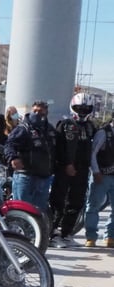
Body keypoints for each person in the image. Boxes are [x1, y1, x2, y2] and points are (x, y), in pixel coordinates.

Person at [49, 92, 96, 247]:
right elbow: (59, 148)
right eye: (79, 108)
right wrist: (66, 164)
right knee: (59, 201)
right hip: (65, 169)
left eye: (86, 108)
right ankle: (53, 234)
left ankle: (66, 233)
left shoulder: (90, 127)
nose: (82, 111)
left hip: (82, 170)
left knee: (76, 202)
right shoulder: (65, 124)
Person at [4, 100, 57, 222]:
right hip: (25, 177)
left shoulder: (50, 130)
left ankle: (36, 239)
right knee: (22, 212)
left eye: (40, 111)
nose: (37, 113)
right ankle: (19, 238)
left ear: (46, 112)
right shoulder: (23, 128)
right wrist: (13, 158)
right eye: (35, 111)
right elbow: (9, 144)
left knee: (39, 214)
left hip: (44, 179)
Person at [83, 117, 114, 247]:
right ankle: (91, 237)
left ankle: (110, 236)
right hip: (101, 176)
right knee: (93, 206)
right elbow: (93, 153)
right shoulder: (103, 133)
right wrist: (96, 172)